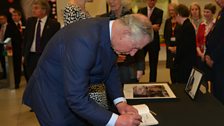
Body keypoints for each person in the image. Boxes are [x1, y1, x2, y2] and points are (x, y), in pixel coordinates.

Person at [22, 14, 154, 126]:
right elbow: (76, 98)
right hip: (52, 95)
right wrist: (117, 121)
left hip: (75, 91)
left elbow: (110, 68)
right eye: (134, 47)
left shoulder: (110, 33)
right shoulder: (84, 40)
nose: (132, 54)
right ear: (125, 33)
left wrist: (120, 103)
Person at [100, 0, 145, 84]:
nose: (111, 2)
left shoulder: (133, 18)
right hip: (111, 67)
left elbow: (139, 43)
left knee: (128, 93)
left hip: (129, 66)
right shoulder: (104, 19)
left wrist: (140, 67)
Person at [22, 0, 60, 81]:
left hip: (45, 57)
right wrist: (23, 56)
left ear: (44, 10)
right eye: (33, 8)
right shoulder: (30, 22)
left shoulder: (54, 25)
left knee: (44, 80)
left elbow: (55, 44)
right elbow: (26, 40)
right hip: (31, 57)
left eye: (36, 8)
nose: (33, 10)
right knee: (31, 81)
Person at [138, 0, 163, 82]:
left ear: (156, 1)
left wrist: (145, 26)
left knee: (153, 66)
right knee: (139, 64)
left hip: (154, 43)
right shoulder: (141, 11)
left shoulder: (159, 12)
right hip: (143, 43)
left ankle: (152, 83)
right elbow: (139, 26)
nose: (151, 2)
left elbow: (157, 27)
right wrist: (151, 26)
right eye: (150, 0)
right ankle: (136, 81)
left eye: (153, 0)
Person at [205, 0, 224, 104]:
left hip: (220, 60)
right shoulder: (221, 13)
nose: (218, 1)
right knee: (215, 92)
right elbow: (213, 35)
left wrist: (213, 57)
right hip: (215, 60)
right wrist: (208, 54)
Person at [174, 4, 197, 84]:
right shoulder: (186, 25)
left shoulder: (187, 27)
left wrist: (176, 61)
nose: (175, 17)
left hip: (186, 64)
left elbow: (183, 48)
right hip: (185, 63)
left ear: (179, 14)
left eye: (175, 15)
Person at [196, 3, 216, 89]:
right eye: (204, 12)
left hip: (211, 57)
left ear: (213, 13)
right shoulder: (201, 25)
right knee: (203, 80)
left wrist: (207, 55)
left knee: (213, 79)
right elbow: (197, 40)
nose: (205, 14)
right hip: (201, 56)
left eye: (208, 12)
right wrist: (200, 53)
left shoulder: (216, 25)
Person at [163, 3, 181, 83]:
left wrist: (177, 47)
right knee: (172, 68)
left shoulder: (180, 21)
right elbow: (166, 36)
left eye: (173, 10)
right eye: (169, 10)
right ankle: (173, 85)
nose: (171, 12)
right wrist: (169, 47)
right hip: (170, 48)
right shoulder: (167, 21)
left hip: (179, 48)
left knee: (178, 67)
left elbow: (182, 36)